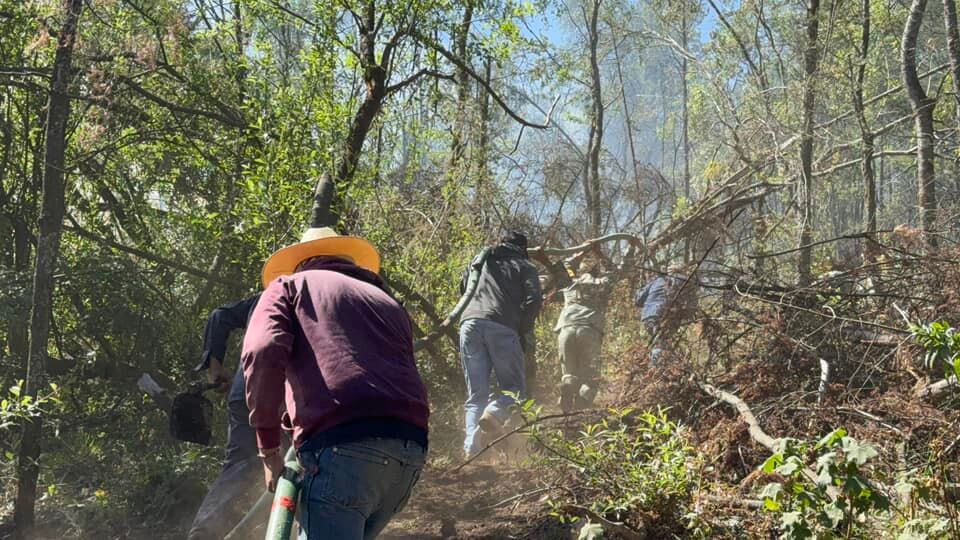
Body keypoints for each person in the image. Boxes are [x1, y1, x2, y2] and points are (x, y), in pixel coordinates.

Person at [242, 226, 429, 540]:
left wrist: (269, 448)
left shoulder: (288, 285)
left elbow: (262, 349)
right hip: (409, 450)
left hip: (342, 446)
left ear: (302, 261)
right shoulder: (387, 302)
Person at [458, 231, 543, 459]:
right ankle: (495, 412)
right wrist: (522, 329)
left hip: (469, 325)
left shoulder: (480, 260)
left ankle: (472, 450)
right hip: (503, 327)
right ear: (523, 248)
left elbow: (463, 287)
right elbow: (535, 299)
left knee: (476, 395)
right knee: (515, 391)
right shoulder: (524, 265)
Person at [187, 294, 263, 540]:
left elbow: (219, 315)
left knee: (241, 461)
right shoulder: (338, 298)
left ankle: (205, 531)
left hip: (248, 388)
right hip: (294, 395)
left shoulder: (269, 294)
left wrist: (214, 367)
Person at [554, 259, 611, 412]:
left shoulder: (570, 283)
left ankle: (567, 388)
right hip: (590, 329)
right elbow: (615, 270)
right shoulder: (602, 283)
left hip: (566, 328)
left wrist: (577, 255)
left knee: (569, 372)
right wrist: (599, 253)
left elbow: (561, 265)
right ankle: (581, 410)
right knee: (591, 377)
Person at [634, 265, 695, 367]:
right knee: (661, 343)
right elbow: (692, 307)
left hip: (648, 316)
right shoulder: (685, 281)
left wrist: (640, 289)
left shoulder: (657, 280)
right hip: (667, 315)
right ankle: (657, 370)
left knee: (661, 342)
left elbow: (638, 300)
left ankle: (663, 367)